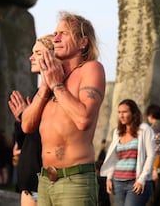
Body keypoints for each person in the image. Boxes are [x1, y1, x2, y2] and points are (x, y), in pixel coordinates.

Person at [21, 11, 106, 205]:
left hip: (74, 180)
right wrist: (45, 86)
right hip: (44, 180)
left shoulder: (91, 69)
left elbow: (83, 120)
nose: (56, 38)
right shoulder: (51, 77)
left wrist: (57, 86)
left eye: (63, 33)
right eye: (55, 33)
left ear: (83, 42)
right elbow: (26, 126)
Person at [8, 34, 54, 206]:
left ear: (51, 55)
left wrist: (25, 117)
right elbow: (24, 139)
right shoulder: (37, 94)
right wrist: (21, 120)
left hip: (44, 178)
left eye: (37, 53)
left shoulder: (56, 94)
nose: (31, 57)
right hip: (28, 178)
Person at [100, 99, 156, 205]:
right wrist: (109, 178)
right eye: (119, 112)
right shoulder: (117, 132)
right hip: (118, 182)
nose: (121, 115)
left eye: (125, 112)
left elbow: (151, 155)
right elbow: (114, 158)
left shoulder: (144, 129)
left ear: (133, 113)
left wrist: (142, 179)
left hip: (136, 182)